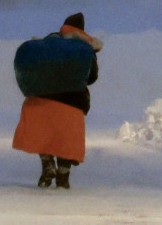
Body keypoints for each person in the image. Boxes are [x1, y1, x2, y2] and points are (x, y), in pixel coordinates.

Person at [12, 12, 102, 189]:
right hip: (72, 103)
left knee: (43, 134)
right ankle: (63, 175)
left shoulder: (48, 43)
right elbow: (91, 77)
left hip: (41, 100)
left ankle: (47, 164)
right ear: (81, 30)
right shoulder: (84, 48)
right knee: (66, 139)